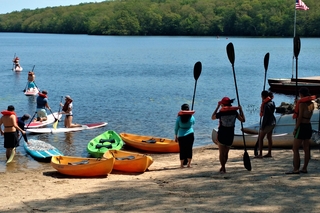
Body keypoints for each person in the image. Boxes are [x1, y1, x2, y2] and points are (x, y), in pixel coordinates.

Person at [286, 87, 316, 174]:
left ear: (301, 94)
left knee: (295, 148)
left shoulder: (301, 105)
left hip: (302, 126)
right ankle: (304, 168)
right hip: (308, 126)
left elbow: (299, 118)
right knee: (306, 148)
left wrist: (295, 128)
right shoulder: (312, 104)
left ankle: (296, 169)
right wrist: (297, 104)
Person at [211, 97, 245, 174]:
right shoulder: (234, 112)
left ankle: (223, 168)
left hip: (222, 134)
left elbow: (212, 117)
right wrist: (241, 110)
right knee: (226, 153)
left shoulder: (221, 113)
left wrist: (217, 107)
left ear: (222, 104)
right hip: (230, 134)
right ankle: (223, 167)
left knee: (221, 153)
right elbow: (243, 120)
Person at [255, 91, 276, 158]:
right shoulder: (272, 102)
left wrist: (263, 126)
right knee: (269, 137)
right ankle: (269, 153)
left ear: (263, 96)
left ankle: (260, 154)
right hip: (273, 122)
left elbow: (266, 117)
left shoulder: (266, 105)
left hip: (268, 123)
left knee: (261, 138)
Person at [174, 103, 195, 168]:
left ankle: (182, 165)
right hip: (190, 134)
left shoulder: (179, 118)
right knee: (189, 149)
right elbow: (193, 123)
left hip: (181, 135)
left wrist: (175, 136)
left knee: (182, 150)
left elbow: (176, 128)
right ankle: (189, 164)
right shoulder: (191, 117)